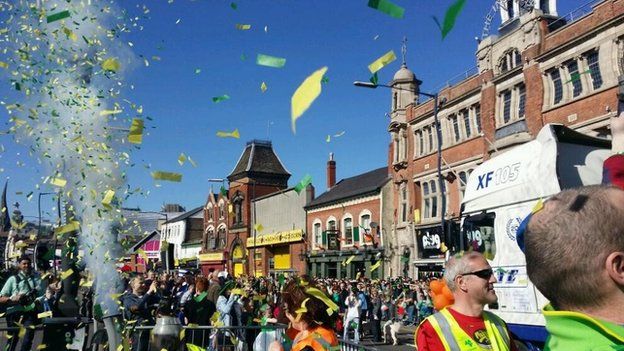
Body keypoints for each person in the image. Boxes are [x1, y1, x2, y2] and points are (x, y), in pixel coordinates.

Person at [415, 252, 518, 351]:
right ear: (462, 282)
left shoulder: (499, 324)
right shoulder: (431, 329)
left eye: (492, 273)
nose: (494, 279)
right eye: (485, 274)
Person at [269, 277, 339, 351]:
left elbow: (326, 346)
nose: (286, 314)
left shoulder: (320, 338)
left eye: (287, 310)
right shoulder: (298, 331)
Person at [0, 255, 43, 351]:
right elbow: (1, 298)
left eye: (28, 264)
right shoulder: (13, 280)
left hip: (30, 311)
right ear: (19, 265)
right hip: (14, 312)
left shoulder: (36, 279)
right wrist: (12, 299)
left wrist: (38, 300)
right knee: (12, 339)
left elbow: (42, 294)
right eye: (24, 264)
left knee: (28, 337)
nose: (26, 266)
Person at [122, 276, 160, 351]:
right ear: (133, 285)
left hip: (148, 332)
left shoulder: (148, 296)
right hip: (134, 333)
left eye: (144, 283)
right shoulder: (127, 298)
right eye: (140, 283)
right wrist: (149, 292)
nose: (143, 285)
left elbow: (161, 302)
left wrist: (155, 289)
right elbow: (137, 307)